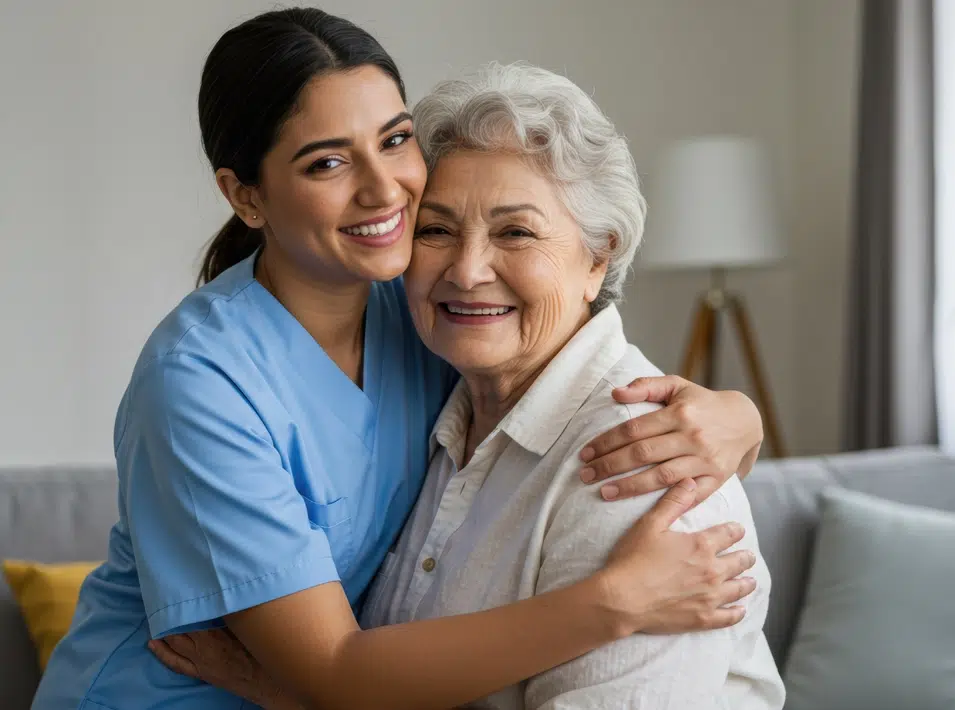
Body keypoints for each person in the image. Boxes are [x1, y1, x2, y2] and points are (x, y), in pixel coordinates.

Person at [34, 10, 765, 710]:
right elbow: (338, 677)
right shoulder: (202, 382)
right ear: (245, 196)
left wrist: (739, 417)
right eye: (325, 162)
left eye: (394, 140)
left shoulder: (419, 310)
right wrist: (610, 602)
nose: (384, 191)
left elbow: (555, 352)